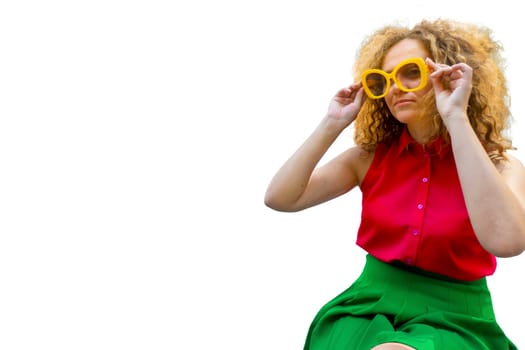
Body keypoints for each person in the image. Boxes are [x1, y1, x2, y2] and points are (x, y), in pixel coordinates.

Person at [264, 18, 525, 350]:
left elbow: (508, 243)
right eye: (383, 80)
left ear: (448, 75)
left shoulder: (499, 165)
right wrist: (332, 124)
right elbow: (280, 197)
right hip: (367, 305)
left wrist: (455, 117)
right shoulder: (369, 158)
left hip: (456, 316)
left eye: (411, 72)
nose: (395, 87)